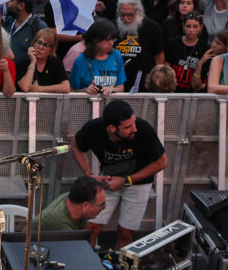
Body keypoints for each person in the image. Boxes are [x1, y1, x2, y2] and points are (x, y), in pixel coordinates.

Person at [71, 99, 168, 248]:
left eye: (134, 122)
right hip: (107, 181)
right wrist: (89, 176)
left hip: (138, 183)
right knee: (90, 229)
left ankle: (119, 269)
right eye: (128, 127)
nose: (134, 129)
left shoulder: (143, 129)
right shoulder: (94, 129)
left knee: (125, 232)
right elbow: (76, 146)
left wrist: (126, 180)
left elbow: (162, 162)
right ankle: (88, 267)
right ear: (112, 128)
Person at [68, 19, 126, 96]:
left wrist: (112, 89)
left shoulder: (116, 55)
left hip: (110, 104)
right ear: (95, 40)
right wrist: (85, 90)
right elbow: (71, 90)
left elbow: (121, 88)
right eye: (107, 40)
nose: (111, 43)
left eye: (113, 39)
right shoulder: (81, 60)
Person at [36, 176, 107, 232]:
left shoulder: (72, 197)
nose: (102, 209)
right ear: (86, 205)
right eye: (101, 205)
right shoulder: (61, 226)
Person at [18, 29, 70, 93]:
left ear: (51, 49)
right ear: (34, 43)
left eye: (46, 45)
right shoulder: (22, 63)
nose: (40, 47)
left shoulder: (55, 62)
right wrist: (32, 62)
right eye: (39, 42)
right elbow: (25, 88)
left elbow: (66, 88)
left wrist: (40, 88)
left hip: (49, 102)